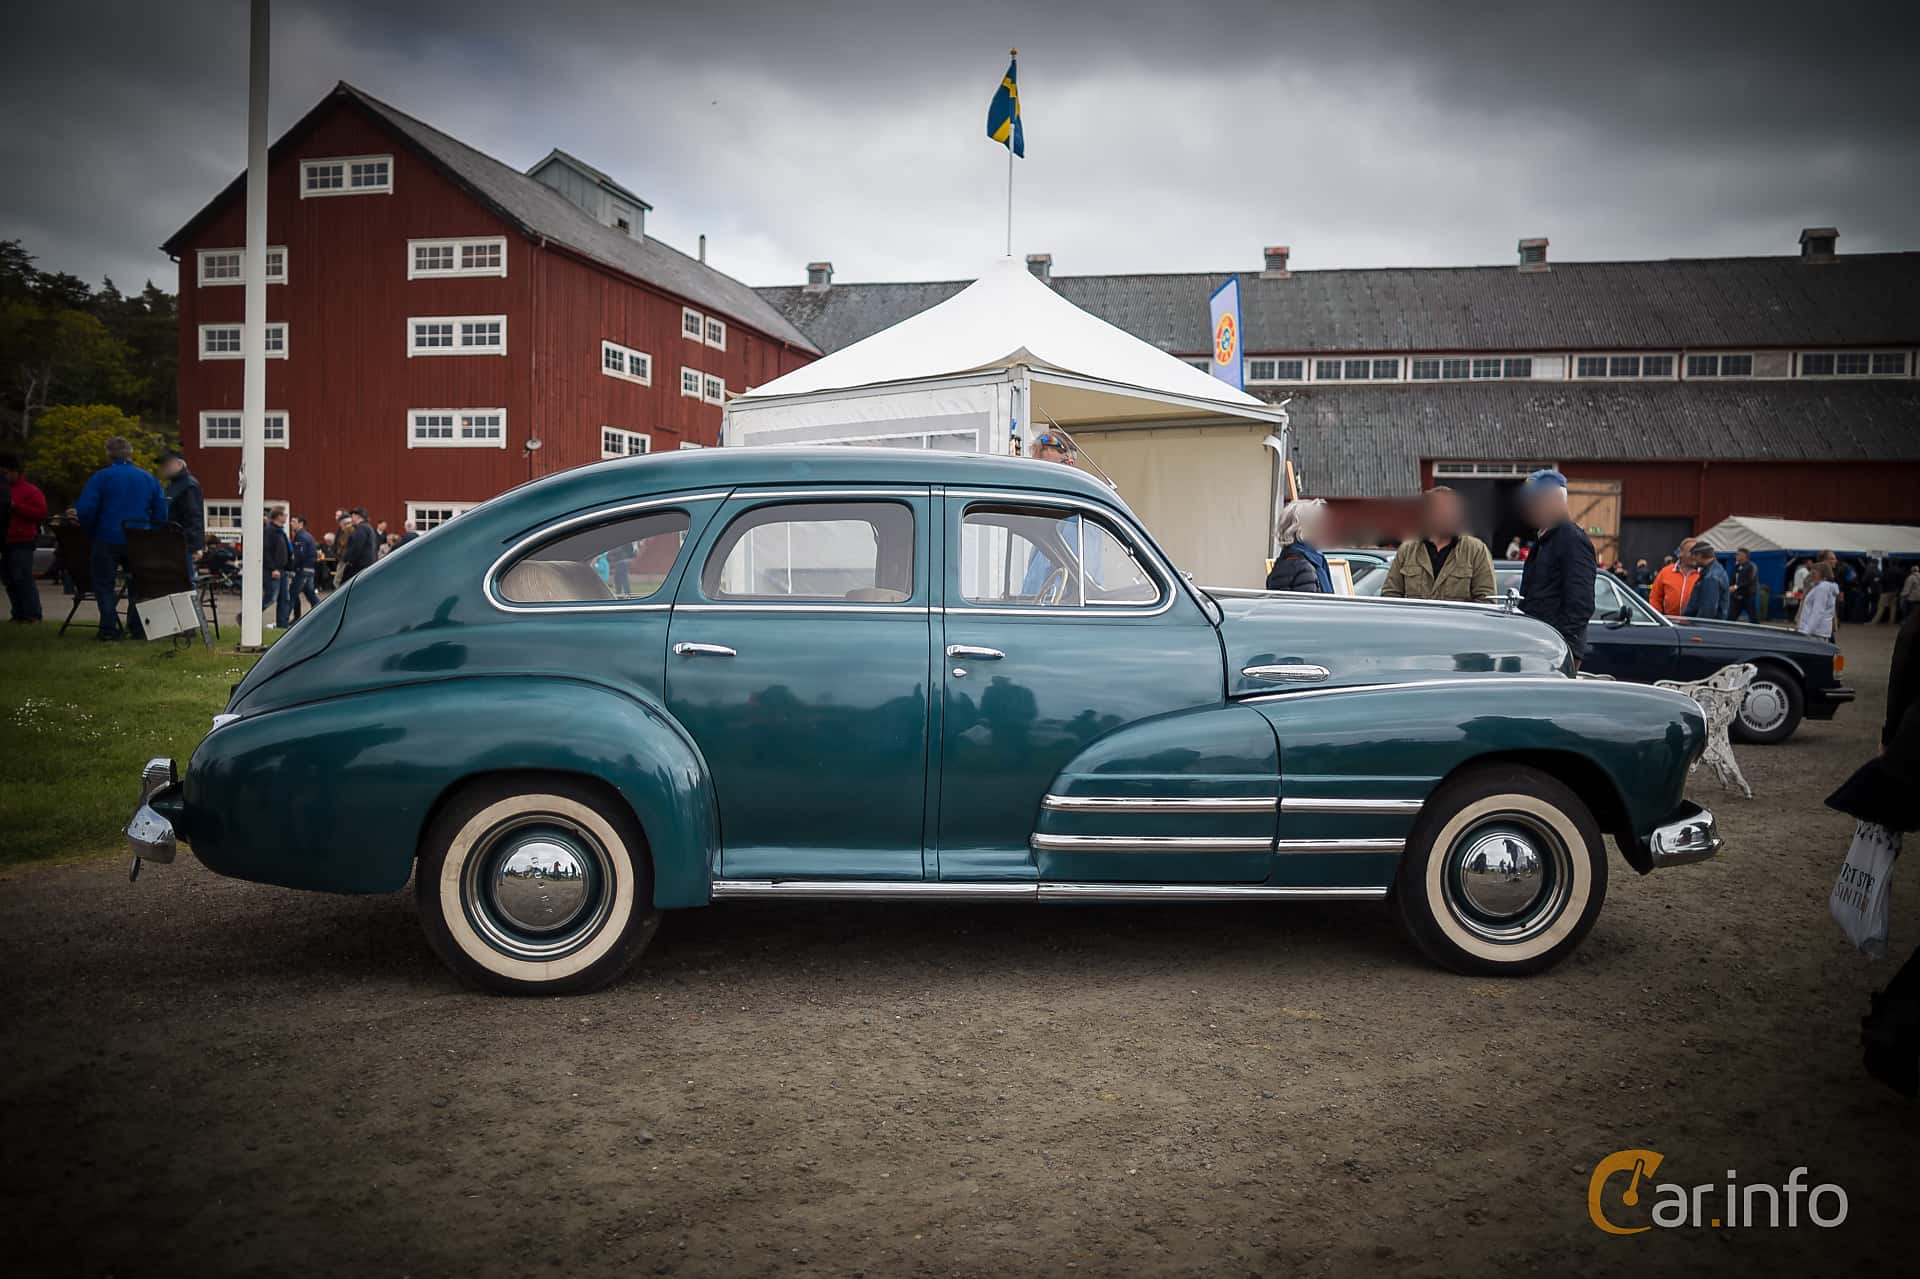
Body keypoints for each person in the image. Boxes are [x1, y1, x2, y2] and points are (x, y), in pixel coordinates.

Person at [71, 436, 167, 640]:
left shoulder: (102, 477)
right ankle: (137, 627)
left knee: (104, 584)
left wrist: (91, 530)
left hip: (107, 535)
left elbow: (86, 509)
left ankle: (108, 628)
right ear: (130, 453)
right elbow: (161, 511)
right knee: (138, 585)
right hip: (138, 537)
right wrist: (151, 531)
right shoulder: (148, 478)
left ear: (109, 454)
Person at [1516, 469, 1596, 669]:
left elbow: (1581, 602)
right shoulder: (1544, 540)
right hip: (1537, 643)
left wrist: (1562, 646)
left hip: (1554, 650)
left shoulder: (1571, 539)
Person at [1380, 486, 1495, 602]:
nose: (1448, 515)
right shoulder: (1407, 550)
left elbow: (1487, 601)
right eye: (1441, 509)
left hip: (1457, 620)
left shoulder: (1475, 550)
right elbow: (1390, 596)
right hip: (1415, 620)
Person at [2, 454, 47, 623]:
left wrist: (16, 507)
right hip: (5, 539)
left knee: (22, 577)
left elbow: (40, 513)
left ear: (15, 472)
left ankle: (32, 613)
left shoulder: (31, 491)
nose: (4, 476)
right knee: (9, 579)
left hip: (22, 539)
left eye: (6, 473)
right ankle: (18, 613)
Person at [1265, 499, 1333, 593]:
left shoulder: (1286, 560)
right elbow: (1311, 606)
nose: (1324, 531)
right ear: (1305, 530)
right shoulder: (1305, 567)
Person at [157, 450, 204, 580]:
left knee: (184, 585)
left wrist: (194, 547)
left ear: (179, 464)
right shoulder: (172, 486)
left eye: (166, 465)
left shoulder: (188, 486)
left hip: (181, 545)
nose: (163, 469)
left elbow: (194, 516)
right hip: (171, 543)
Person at [1648, 537, 1699, 616]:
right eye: (1691, 552)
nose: (1694, 556)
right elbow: (1655, 597)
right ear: (1681, 553)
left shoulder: (1703, 574)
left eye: (1697, 552)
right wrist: (1659, 617)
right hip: (1669, 622)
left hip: (1694, 624)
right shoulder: (1665, 572)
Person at [1682, 541, 1730, 621]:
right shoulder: (1716, 570)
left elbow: (1708, 610)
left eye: (1693, 555)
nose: (1692, 558)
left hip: (1705, 627)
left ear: (1700, 555)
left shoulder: (1711, 577)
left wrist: (1698, 629)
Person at [262, 507, 293, 626]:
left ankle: (282, 624)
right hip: (273, 570)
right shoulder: (270, 531)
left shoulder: (280, 531)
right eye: (284, 515)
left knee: (284, 598)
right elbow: (267, 551)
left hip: (283, 569)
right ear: (278, 516)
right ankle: (246, 616)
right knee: (271, 597)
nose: (286, 517)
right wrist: (273, 568)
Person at [1795, 562, 1839, 643]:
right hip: (1819, 631)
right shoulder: (1826, 587)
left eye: (1814, 572)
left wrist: (1806, 632)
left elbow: (1817, 612)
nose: (1812, 574)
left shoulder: (1822, 588)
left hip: (1815, 633)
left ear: (1823, 573)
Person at [287, 514, 319, 620]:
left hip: (302, 570)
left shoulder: (301, 536)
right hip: (309, 569)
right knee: (310, 595)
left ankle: (283, 620)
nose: (291, 523)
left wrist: (292, 567)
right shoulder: (308, 535)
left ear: (301, 523)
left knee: (291, 594)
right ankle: (319, 614)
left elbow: (299, 554)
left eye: (294, 521)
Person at [338, 507, 377, 584]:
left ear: (358, 516)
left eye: (353, 515)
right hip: (366, 564)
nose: (352, 517)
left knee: (345, 587)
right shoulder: (368, 527)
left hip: (359, 566)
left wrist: (349, 561)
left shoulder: (361, 528)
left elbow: (356, 547)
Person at [1726, 547, 1759, 623]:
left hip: (1748, 596)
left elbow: (1748, 580)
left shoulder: (1751, 566)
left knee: (1753, 618)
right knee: (1731, 617)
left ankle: (1758, 632)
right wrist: (1730, 587)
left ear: (1744, 556)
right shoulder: (1736, 567)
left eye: (1738, 554)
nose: (1736, 556)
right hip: (1736, 596)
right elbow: (1732, 579)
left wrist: (1735, 586)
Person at [1872, 558, 1904, 625]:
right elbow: (1901, 582)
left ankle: (1874, 622)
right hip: (1895, 591)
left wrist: (1878, 580)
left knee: (1881, 606)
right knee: (1893, 607)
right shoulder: (1900, 570)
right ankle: (1891, 621)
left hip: (1886, 591)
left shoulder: (1888, 570)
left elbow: (1884, 579)